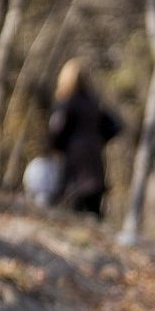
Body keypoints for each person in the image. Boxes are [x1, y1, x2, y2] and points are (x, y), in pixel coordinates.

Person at [48, 58, 121, 219]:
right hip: (94, 157)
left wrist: (56, 147)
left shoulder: (67, 102)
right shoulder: (93, 102)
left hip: (75, 159)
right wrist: (99, 139)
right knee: (93, 202)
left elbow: (57, 130)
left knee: (75, 201)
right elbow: (115, 125)